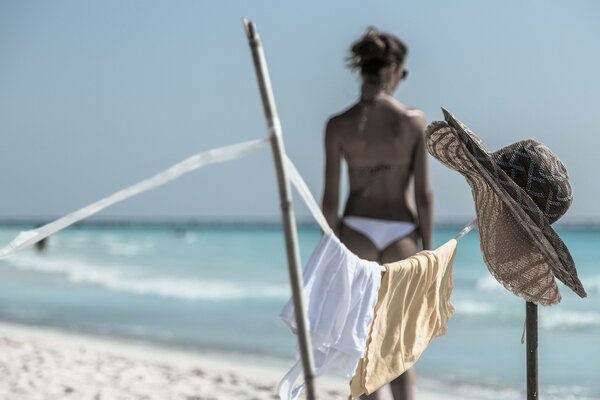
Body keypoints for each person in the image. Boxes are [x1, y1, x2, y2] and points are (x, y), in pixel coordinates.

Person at [321, 27, 433, 400]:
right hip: (401, 233)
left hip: (355, 232)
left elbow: (330, 200)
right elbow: (424, 196)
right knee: (398, 349)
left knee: (363, 346)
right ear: (396, 70)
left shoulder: (338, 125)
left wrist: (329, 251)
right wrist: (429, 253)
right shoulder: (414, 121)